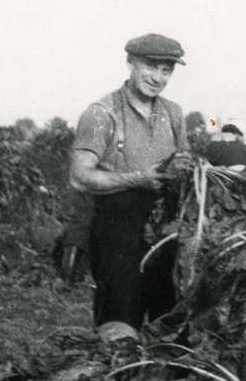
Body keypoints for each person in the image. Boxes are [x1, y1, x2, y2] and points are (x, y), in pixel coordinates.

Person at [68, 33, 189, 334]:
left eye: (167, 70)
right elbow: (79, 176)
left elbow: (184, 165)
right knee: (121, 322)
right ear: (130, 62)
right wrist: (138, 178)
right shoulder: (101, 113)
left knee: (170, 325)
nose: (159, 77)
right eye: (152, 66)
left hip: (166, 231)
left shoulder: (173, 114)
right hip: (118, 231)